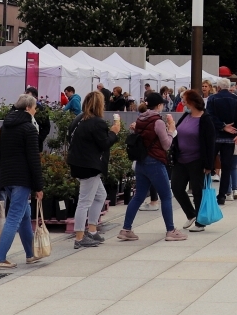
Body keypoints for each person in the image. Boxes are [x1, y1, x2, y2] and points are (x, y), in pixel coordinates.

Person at [118, 91, 185, 241]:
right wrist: (172, 131)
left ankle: (126, 229)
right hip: (155, 161)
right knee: (166, 196)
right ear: (159, 105)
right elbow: (166, 145)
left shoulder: (140, 118)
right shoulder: (158, 122)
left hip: (141, 161)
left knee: (138, 196)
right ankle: (170, 230)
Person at [0, 95, 44, 267]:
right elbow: (33, 160)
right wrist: (39, 186)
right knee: (14, 217)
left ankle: (30, 253)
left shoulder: (5, 127)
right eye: (35, 107)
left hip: (7, 177)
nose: (35, 110)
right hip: (22, 179)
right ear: (28, 108)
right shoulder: (29, 129)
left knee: (25, 215)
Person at [68, 90, 120, 249]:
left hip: (79, 163)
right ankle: (79, 237)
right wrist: (114, 132)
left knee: (100, 195)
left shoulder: (80, 120)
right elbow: (104, 144)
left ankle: (91, 230)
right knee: (84, 201)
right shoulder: (98, 122)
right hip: (89, 166)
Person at [169, 89, 219, 231]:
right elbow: (178, 132)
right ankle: (191, 214)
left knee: (198, 190)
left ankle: (200, 222)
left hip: (197, 160)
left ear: (191, 101)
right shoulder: (186, 115)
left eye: (184, 99)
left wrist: (209, 165)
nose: (182, 102)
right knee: (177, 187)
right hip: (181, 158)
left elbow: (210, 144)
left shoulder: (205, 119)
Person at [205, 77, 237, 204]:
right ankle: (222, 195)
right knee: (227, 166)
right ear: (229, 87)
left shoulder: (212, 99)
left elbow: (209, 116)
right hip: (230, 137)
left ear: (218, 87)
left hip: (215, 136)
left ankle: (205, 191)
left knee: (208, 164)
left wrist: (222, 126)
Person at [25, 86, 51, 151]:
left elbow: (47, 127)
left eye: (29, 97)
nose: (26, 99)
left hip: (36, 145)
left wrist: (39, 139)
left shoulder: (41, 110)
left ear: (35, 98)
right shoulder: (21, 108)